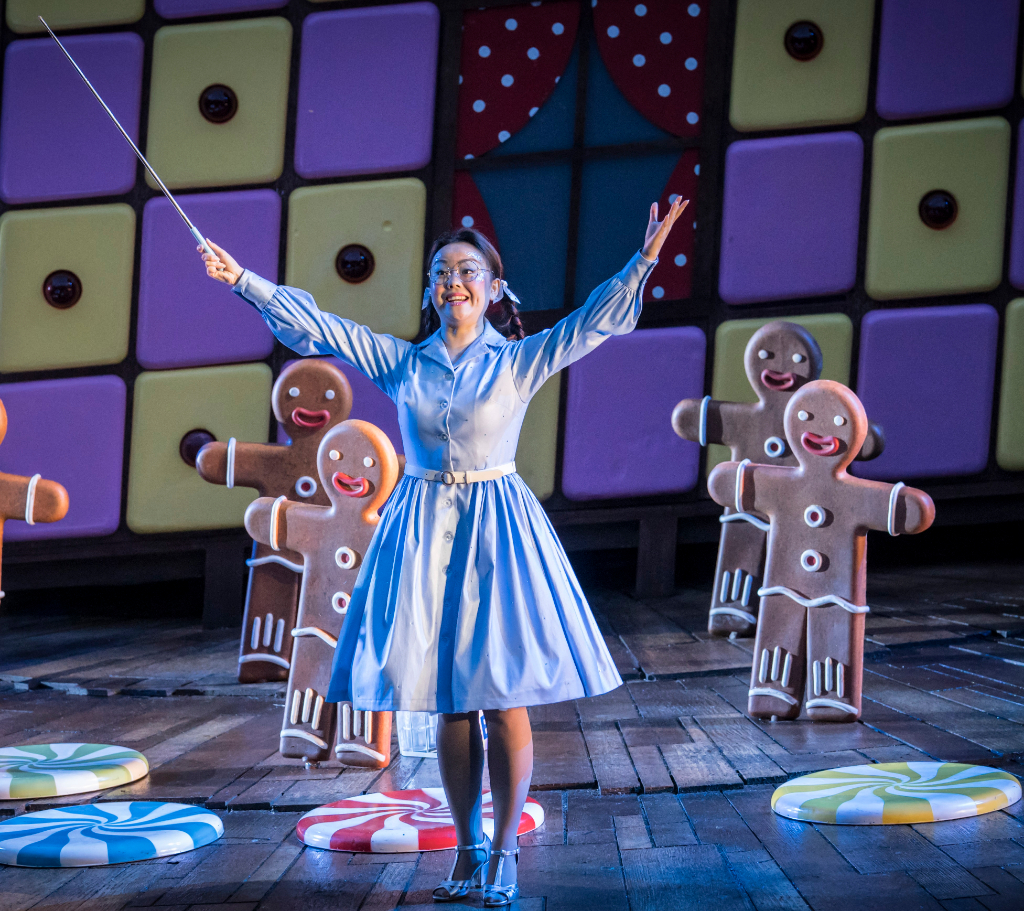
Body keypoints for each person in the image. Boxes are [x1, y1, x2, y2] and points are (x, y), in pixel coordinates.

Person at [199, 195, 688, 906]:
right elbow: (324, 326)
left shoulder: (517, 361)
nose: (452, 281)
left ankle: (505, 853)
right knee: (450, 703)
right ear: (431, 290)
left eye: (466, 270)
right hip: (423, 530)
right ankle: (466, 849)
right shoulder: (405, 363)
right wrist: (243, 279)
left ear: (494, 286)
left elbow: (590, 323)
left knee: (500, 695)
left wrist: (642, 260)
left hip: (497, 531)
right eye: (441, 272)